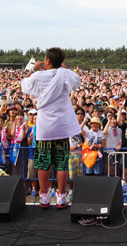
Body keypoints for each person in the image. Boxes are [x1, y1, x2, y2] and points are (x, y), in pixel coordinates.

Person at [20, 47, 81, 209]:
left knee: (43, 163)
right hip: (62, 126)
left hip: (45, 127)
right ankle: (61, 197)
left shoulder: (37, 76)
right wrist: (64, 67)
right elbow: (77, 81)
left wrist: (33, 70)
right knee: (61, 163)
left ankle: (44, 197)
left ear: (47, 60)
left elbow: (24, 86)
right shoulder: (65, 74)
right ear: (60, 62)